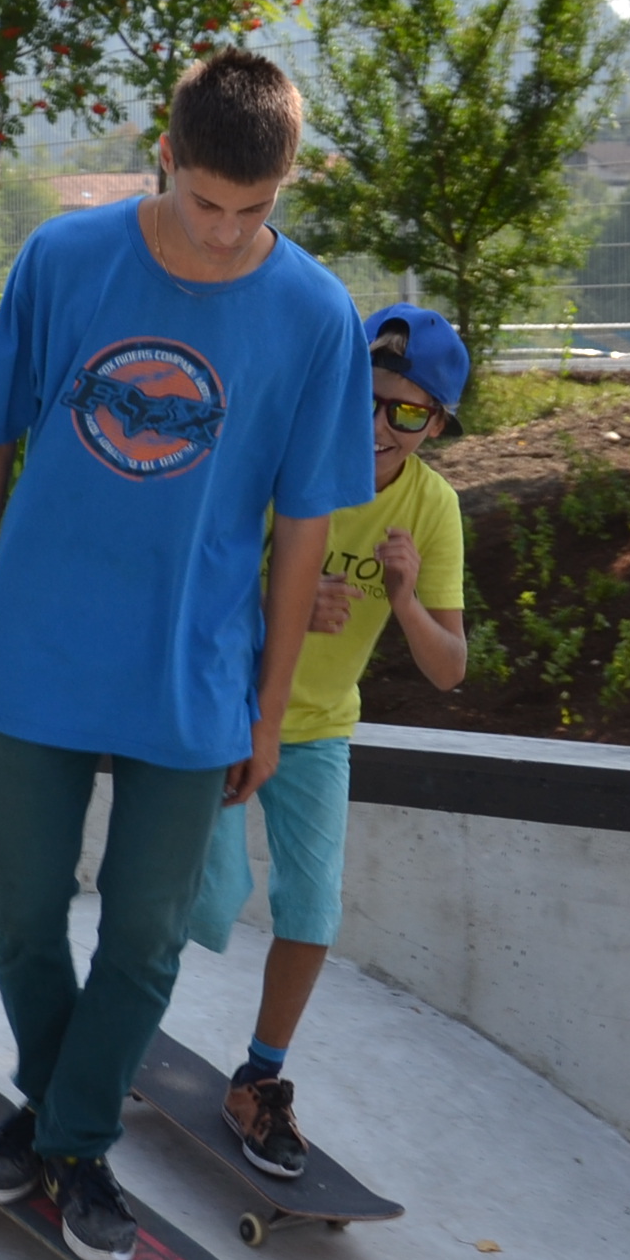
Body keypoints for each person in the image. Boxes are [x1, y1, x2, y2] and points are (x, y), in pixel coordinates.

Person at [0, 49, 373, 1260]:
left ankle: (68, 1142)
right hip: (40, 649)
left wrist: (270, 710)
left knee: (144, 935)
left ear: (286, 183)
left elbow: (304, 528)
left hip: (194, 673)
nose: (226, 232)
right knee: (20, 908)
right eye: (205, 201)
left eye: (255, 208)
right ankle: (62, 1118)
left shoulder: (317, 315)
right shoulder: (65, 259)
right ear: (165, 157)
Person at [182, 303, 472, 1176]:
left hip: (318, 731)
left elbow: (450, 667)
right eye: (365, 400)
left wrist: (406, 600)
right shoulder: (289, 465)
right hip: (227, 709)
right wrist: (287, 605)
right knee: (209, 896)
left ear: (437, 425)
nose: (380, 426)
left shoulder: (432, 509)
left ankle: (259, 1081)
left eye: (407, 413)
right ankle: (109, 1023)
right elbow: (195, 589)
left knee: (313, 909)